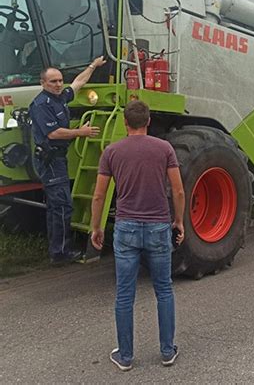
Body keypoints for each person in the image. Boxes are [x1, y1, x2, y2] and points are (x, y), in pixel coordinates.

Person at [90, 100, 185, 372]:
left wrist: (96, 228)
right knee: (164, 290)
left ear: (125, 122)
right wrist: (178, 221)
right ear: (149, 121)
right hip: (157, 227)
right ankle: (167, 351)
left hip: (126, 228)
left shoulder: (111, 151)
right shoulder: (164, 148)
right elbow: (178, 191)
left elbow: (98, 195)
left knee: (124, 294)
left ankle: (126, 356)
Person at [29, 56, 107, 265]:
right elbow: (53, 133)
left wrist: (93, 65)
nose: (58, 84)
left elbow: (78, 83)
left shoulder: (60, 97)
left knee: (57, 206)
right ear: (43, 83)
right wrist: (81, 132)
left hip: (57, 159)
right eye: (53, 81)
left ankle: (58, 250)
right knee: (62, 205)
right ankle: (61, 252)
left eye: (60, 80)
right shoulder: (41, 104)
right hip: (51, 160)